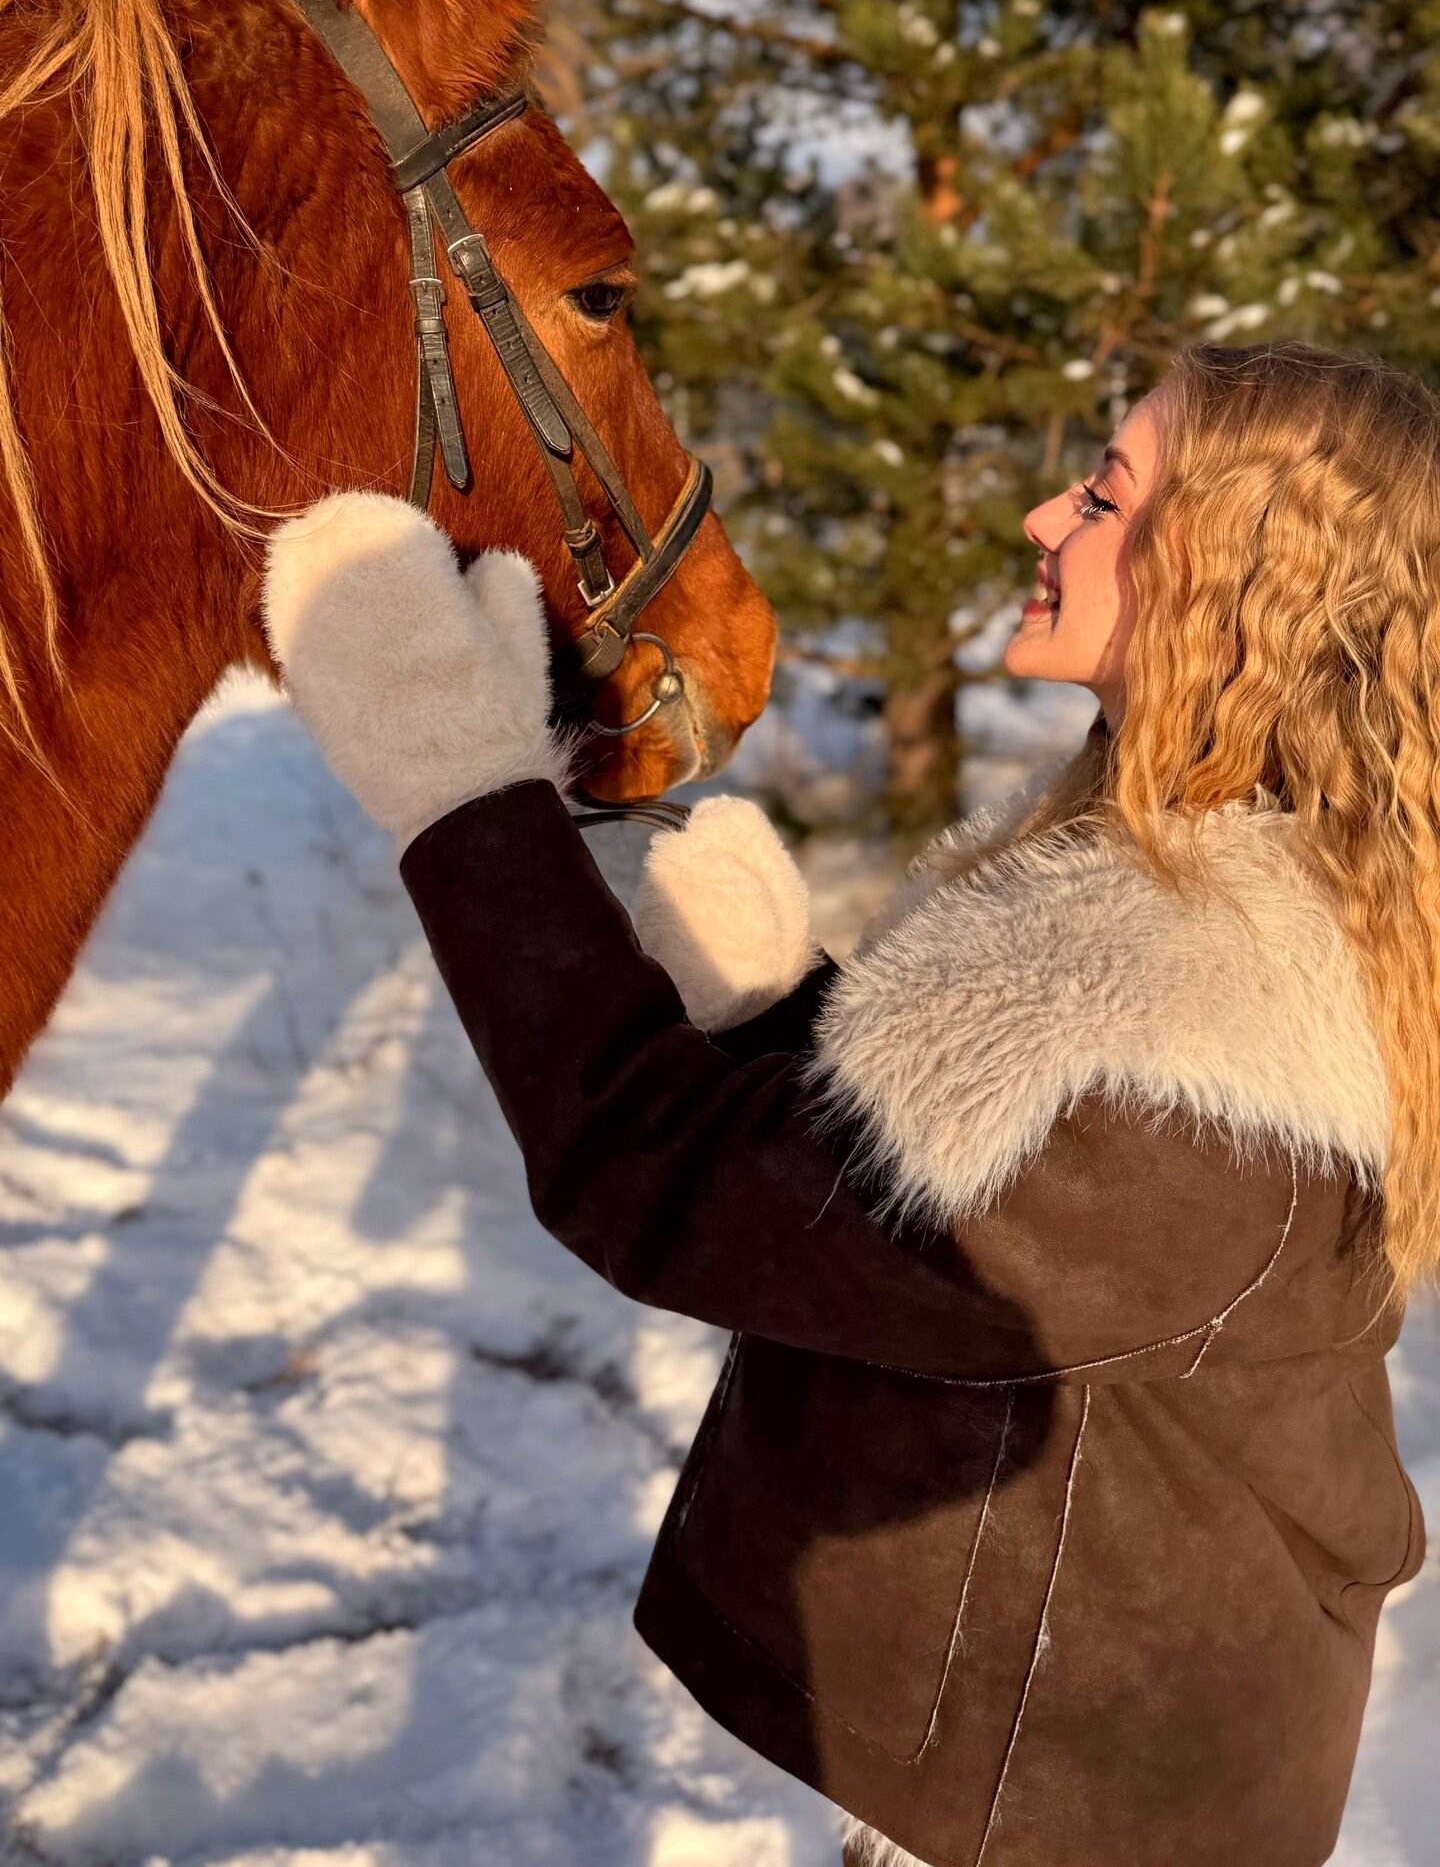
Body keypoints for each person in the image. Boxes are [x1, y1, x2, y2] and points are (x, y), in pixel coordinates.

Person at [262, 340, 1431, 1867]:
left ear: (1243, 576)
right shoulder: (1217, 913)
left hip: (1077, 1810)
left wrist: (458, 783)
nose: (1039, 518)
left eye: (1105, 492)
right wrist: (784, 1018)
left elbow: (658, 1185)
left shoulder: (1188, 1061)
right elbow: (930, 1240)